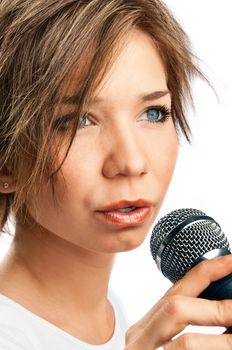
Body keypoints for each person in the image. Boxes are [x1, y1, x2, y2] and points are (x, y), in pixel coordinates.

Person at [0, 0, 232, 349]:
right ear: (6, 161)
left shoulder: (114, 316)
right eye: (78, 120)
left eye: (153, 113)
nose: (132, 161)